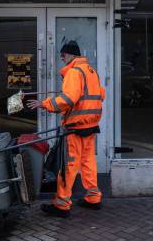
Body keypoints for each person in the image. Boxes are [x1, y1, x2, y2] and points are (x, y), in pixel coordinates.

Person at [26, 40, 105, 218]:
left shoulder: (74, 72)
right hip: (91, 125)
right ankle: (93, 198)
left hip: (75, 127)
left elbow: (68, 99)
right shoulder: (91, 71)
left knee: (68, 165)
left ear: (71, 55)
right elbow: (100, 94)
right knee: (88, 163)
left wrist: (43, 103)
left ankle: (62, 204)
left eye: (63, 55)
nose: (62, 58)